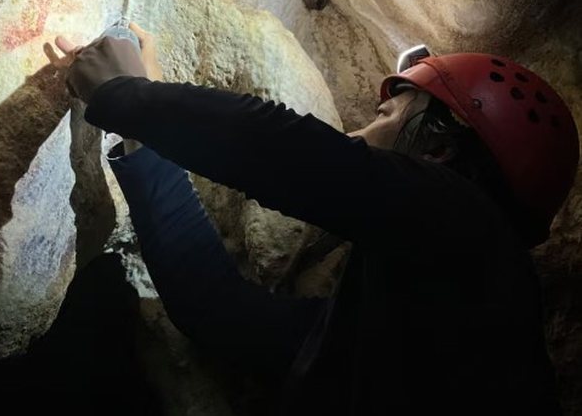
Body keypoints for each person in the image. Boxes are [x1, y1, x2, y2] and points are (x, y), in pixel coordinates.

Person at [43, 26, 579, 415]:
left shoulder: (476, 233)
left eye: (387, 118)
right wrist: (146, 131)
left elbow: (299, 156)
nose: (356, 137)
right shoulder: (391, 333)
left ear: (439, 149)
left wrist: (131, 95)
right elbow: (220, 310)